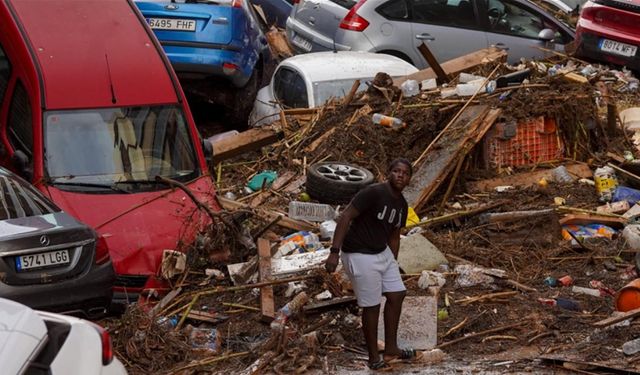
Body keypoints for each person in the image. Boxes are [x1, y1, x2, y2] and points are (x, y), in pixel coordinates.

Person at [325, 158, 419, 371]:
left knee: (397, 294)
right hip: (358, 253)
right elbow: (346, 216)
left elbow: (394, 236)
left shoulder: (402, 205)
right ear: (388, 173)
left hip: (382, 252)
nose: (400, 175)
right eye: (396, 171)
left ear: (409, 179)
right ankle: (374, 357)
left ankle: (392, 348)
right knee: (372, 305)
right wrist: (334, 252)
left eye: (405, 173)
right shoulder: (373, 192)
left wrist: (393, 263)